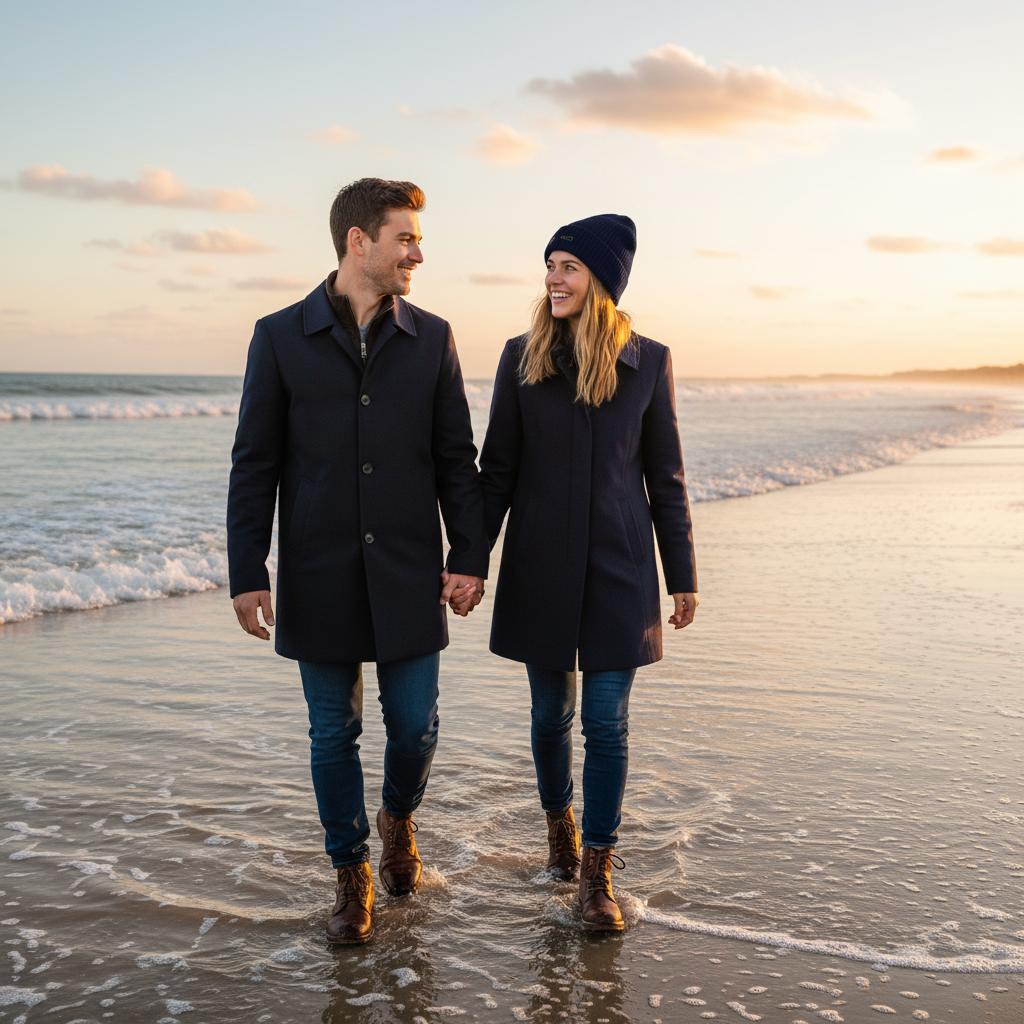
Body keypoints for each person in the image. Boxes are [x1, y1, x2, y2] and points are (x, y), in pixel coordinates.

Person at [227, 178, 487, 946]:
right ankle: (351, 875)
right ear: (358, 241)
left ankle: (397, 818)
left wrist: (467, 555)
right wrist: (248, 570)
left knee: (414, 728)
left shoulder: (433, 337)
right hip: (317, 571)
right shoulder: (278, 336)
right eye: (404, 237)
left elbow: (455, 460)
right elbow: (254, 463)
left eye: (415, 238)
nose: (417, 252)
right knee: (331, 734)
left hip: (409, 570)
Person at [474, 214, 699, 932]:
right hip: (539, 564)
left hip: (620, 569)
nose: (553, 279)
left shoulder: (649, 361)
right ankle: (560, 835)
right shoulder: (520, 358)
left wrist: (681, 573)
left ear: (600, 280)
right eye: (550, 265)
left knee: (605, 721)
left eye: (568, 266)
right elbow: (496, 473)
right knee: (551, 716)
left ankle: (596, 874)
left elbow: (665, 476)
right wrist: (467, 561)